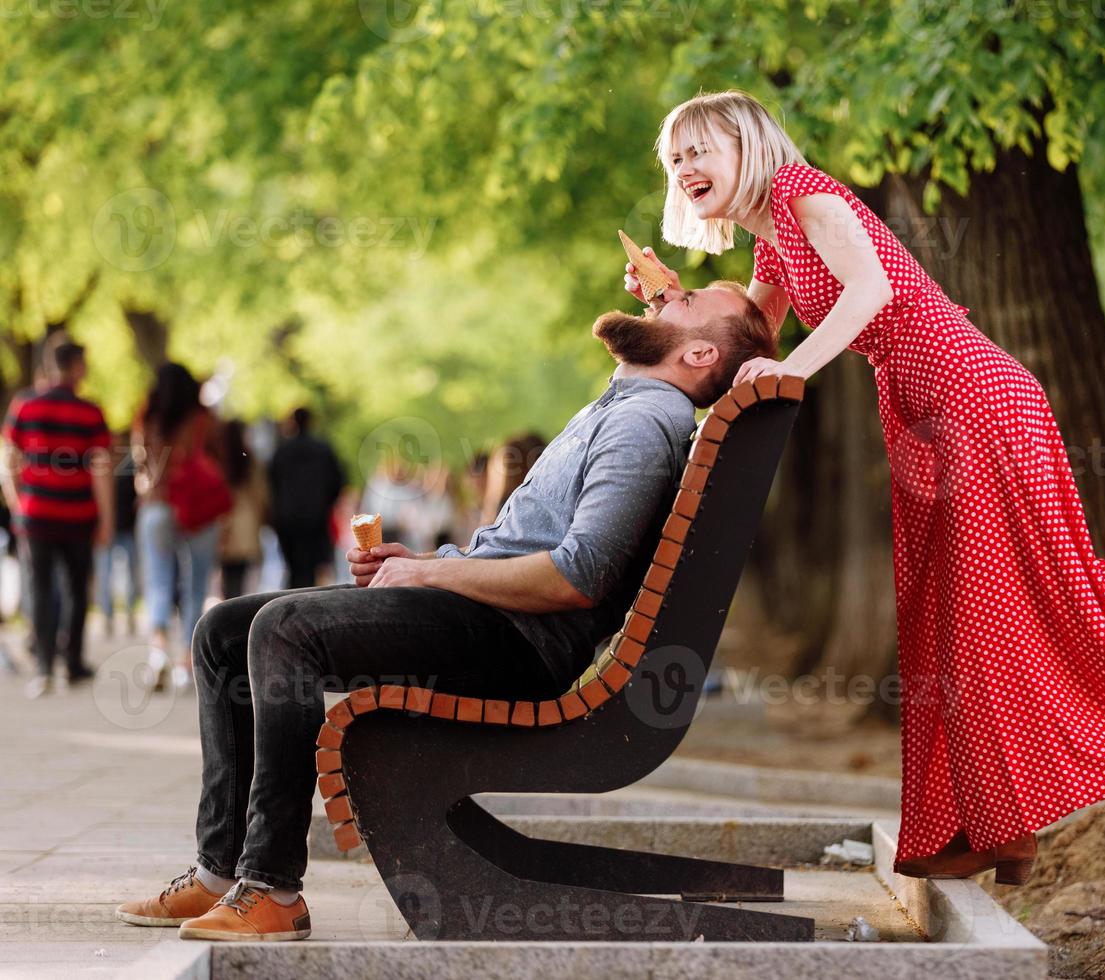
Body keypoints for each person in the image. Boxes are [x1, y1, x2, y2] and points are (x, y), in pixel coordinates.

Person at [630, 90, 1105, 885]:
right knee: (952, 619)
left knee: (1035, 598)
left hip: (972, 395)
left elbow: (871, 293)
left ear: (751, 146)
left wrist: (793, 368)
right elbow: (747, 343)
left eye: (701, 149)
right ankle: (992, 828)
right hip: (920, 411)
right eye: (675, 159)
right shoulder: (771, 245)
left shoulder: (807, 195)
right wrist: (670, 307)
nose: (686, 168)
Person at [112, 282, 775, 942]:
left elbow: (577, 577)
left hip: (519, 641)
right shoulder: (626, 404)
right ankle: (218, 869)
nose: (666, 297)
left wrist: (429, 572)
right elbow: (527, 550)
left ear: (694, 357)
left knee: (285, 632)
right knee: (224, 631)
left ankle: (273, 888)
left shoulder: (643, 421)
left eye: (687, 302)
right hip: (485, 615)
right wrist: (428, 561)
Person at [0, 333, 114, 698]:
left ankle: (45, 667)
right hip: (78, 514)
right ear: (77, 366)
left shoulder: (24, 407)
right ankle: (74, 664)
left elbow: (9, 460)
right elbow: (100, 469)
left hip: (36, 515)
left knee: (41, 587)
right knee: (78, 589)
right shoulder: (90, 412)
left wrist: (18, 502)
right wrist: (107, 518)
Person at [134, 363, 225, 692]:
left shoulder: (148, 417)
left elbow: (140, 462)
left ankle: (158, 652)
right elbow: (220, 461)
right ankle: (186, 664)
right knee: (196, 586)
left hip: (157, 507)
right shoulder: (205, 419)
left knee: (158, 582)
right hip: (199, 507)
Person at [267, 408, 345, 590]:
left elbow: (271, 486)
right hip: (315, 519)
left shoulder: (282, 452)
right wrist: (324, 504)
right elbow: (338, 482)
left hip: (288, 519)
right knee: (310, 569)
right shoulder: (323, 450)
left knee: (294, 568)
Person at [96, 430, 142, 636]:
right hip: (106, 531)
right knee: (105, 575)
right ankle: (107, 615)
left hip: (127, 529)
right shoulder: (99, 468)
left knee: (131, 574)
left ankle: (130, 612)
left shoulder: (129, 468)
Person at [217, 419, 268, 600]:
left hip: (223, 524)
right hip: (246, 525)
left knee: (226, 577)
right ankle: (235, 613)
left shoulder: (218, 460)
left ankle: (227, 611)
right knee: (240, 579)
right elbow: (261, 494)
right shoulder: (250, 461)